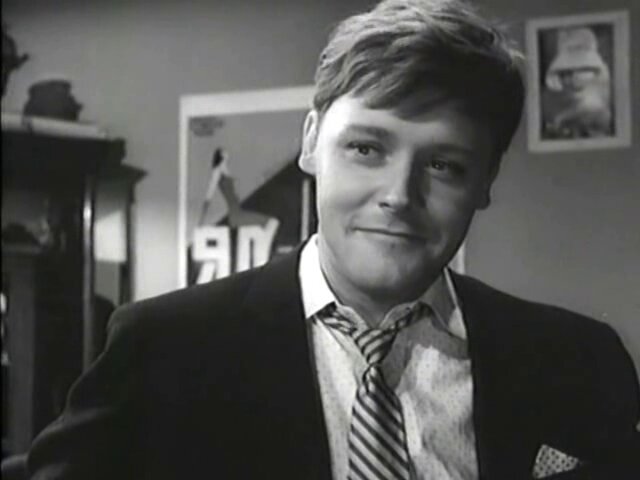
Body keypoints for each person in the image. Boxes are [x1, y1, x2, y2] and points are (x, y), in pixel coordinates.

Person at [25, 0, 639, 479]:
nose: (398, 195)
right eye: (366, 148)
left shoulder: (578, 361)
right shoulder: (162, 350)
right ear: (312, 142)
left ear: (486, 181)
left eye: (444, 165)